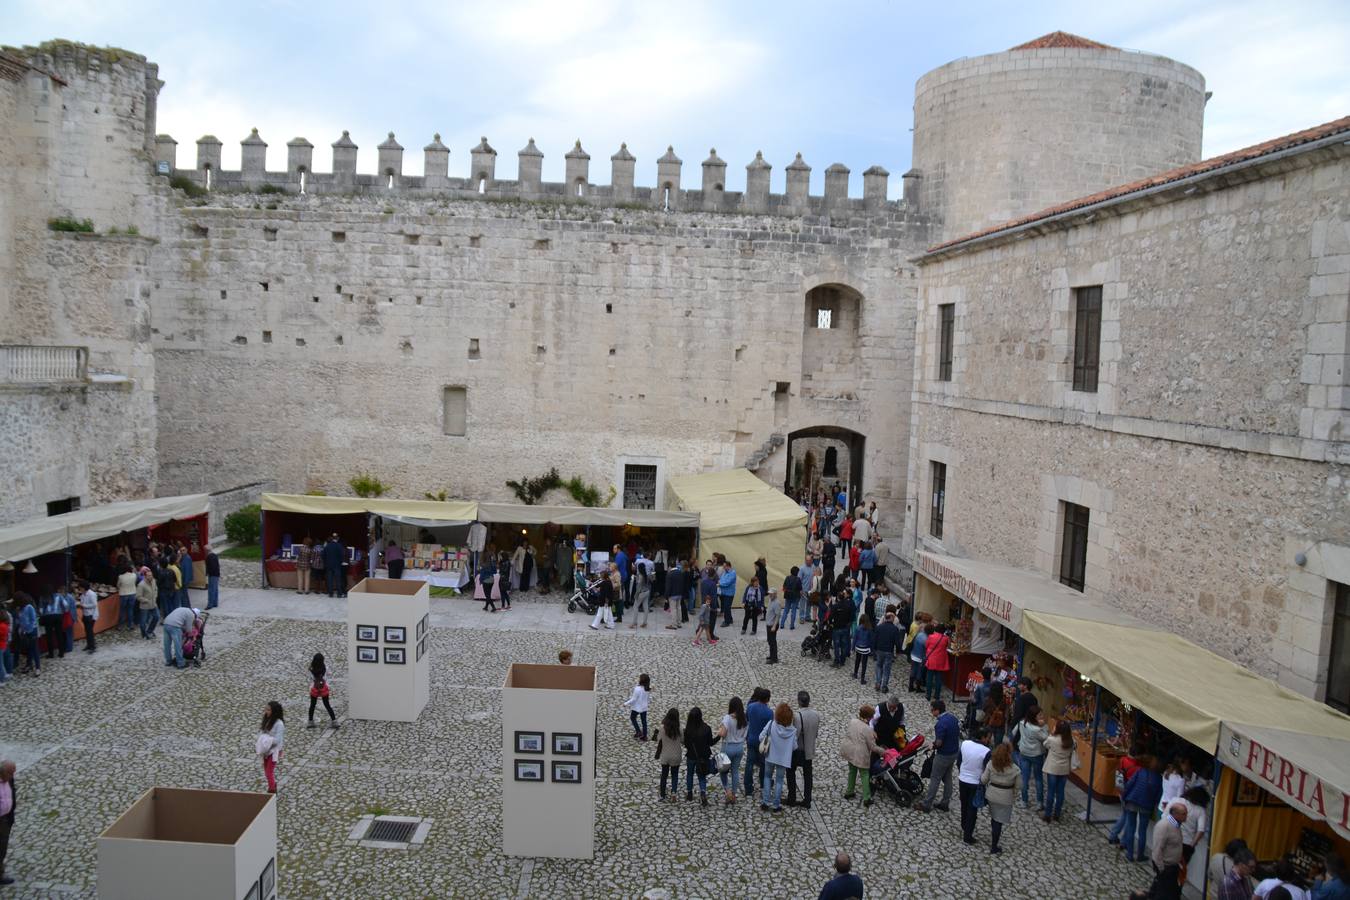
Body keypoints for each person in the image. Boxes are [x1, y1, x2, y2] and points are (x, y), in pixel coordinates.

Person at [1128, 802, 1188, 900]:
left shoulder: (1176, 825)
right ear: (1175, 814)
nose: (1186, 816)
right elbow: (1157, 849)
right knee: (1163, 894)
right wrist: (1161, 869)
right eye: (1184, 814)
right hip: (1166, 867)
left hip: (1173, 866)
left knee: (1170, 892)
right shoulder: (1164, 827)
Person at [1119, 755, 1164, 861]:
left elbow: (1130, 784)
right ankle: (1140, 855)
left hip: (1133, 801)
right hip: (1146, 805)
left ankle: (1129, 854)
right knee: (1142, 831)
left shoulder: (1140, 772)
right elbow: (1159, 795)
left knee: (1131, 828)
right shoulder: (1159, 778)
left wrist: (1124, 797)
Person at [917, 699, 959, 812]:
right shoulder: (953, 718)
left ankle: (926, 804)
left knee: (935, 779)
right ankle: (945, 803)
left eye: (932, 710)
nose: (931, 712)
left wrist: (932, 745)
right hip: (954, 752)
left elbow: (939, 742)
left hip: (943, 755)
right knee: (948, 777)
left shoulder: (940, 724)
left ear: (937, 710)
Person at [981, 741, 1021, 854]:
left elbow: (984, 780)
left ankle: (994, 834)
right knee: (999, 821)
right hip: (1006, 797)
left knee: (994, 818)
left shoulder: (991, 764)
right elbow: (1018, 786)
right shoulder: (1015, 769)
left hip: (992, 795)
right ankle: (994, 846)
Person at [841, 704, 881, 807]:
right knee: (864, 774)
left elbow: (858, 730)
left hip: (850, 751)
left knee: (852, 771)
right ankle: (867, 798)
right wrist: (883, 752)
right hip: (860, 754)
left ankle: (849, 792)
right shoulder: (867, 729)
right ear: (869, 717)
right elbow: (872, 747)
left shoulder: (853, 721)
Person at [785, 691, 819, 809]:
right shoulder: (816, 714)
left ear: (799, 701)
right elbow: (816, 732)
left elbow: (796, 734)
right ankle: (807, 799)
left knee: (790, 772)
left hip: (798, 749)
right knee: (808, 775)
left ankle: (792, 797)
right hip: (809, 749)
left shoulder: (797, 716)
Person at [957, 728, 991, 844]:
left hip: (963, 779)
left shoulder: (965, 744)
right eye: (987, 737)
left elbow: (959, 761)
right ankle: (968, 834)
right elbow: (987, 769)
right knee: (972, 808)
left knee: (964, 803)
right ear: (983, 738)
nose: (988, 739)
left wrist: (962, 772)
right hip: (975, 782)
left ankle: (964, 824)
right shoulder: (986, 751)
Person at [761, 702, 797, 813]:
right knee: (779, 781)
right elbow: (795, 746)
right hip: (783, 759)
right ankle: (776, 805)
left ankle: (765, 802)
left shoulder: (771, 724)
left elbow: (761, 737)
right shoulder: (792, 731)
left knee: (767, 777)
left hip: (770, 756)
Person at [1041, 720, 1077, 824]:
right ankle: (1057, 814)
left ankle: (1047, 814)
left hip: (1052, 768)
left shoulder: (1052, 739)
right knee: (1060, 792)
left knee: (1051, 792)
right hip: (1064, 769)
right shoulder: (1071, 741)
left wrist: (1052, 734)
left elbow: (1045, 744)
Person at [1013, 705, 1048, 810]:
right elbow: (1046, 738)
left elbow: (1014, 732)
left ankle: (1024, 801)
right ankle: (1039, 802)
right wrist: (1044, 726)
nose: (1042, 716)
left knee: (1024, 777)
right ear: (1034, 716)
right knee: (1038, 778)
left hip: (1024, 752)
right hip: (1036, 754)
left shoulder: (1022, 723)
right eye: (1040, 715)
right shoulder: (1037, 729)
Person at [744, 687, 774, 798]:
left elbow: (747, 719)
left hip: (751, 739)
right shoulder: (769, 712)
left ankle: (748, 788)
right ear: (767, 699)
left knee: (749, 763)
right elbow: (770, 728)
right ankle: (763, 783)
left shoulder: (750, 707)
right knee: (763, 764)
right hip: (763, 742)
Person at [717, 697, 748, 804]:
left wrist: (720, 728)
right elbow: (745, 735)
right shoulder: (744, 719)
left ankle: (727, 791)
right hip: (739, 748)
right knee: (735, 771)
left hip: (728, 748)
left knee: (723, 771)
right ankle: (734, 794)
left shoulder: (727, 718)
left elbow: (722, 734)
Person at [682, 707, 714, 806]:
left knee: (690, 774)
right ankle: (703, 792)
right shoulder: (707, 728)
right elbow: (710, 743)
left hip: (691, 755)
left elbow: (686, 744)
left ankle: (690, 793)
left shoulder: (687, 730)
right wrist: (719, 736)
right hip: (703, 756)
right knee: (702, 775)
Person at [654, 708, 683, 802]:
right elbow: (683, 741)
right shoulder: (680, 728)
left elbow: (657, 739)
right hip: (676, 755)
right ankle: (673, 792)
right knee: (674, 775)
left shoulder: (663, 728)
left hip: (665, 755)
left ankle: (662, 795)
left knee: (664, 775)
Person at [257, 701, 285, 793]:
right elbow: (263, 732)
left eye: (268, 710)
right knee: (266, 771)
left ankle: (272, 790)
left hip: (273, 751)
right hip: (266, 750)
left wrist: (266, 740)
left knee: (269, 772)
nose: (266, 711)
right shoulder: (267, 720)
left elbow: (277, 740)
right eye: (266, 709)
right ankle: (273, 785)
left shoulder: (279, 724)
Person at [307, 653, 339, 729]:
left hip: (314, 688)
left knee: (312, 705)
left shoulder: (311, 669)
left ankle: (310, 721)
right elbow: (329, 674)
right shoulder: (325, 668)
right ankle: (334, 721)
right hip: (323, 687)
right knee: (327, 704)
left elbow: (310, 678)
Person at [1180, 785, 1210, 865]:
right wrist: (1192, 844)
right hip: (1187, 843)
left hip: (1174, 837)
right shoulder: (1201, 811)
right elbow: (1201, 830)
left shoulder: (1181, 802)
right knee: (1182, 867)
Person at [872, 611, 901, 693]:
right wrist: (898, 651)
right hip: (888, 651)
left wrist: (874, 649)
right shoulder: (894, 629)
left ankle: (878, 683)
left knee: (879, 666)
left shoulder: (879, 627)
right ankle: (884, 686)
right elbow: (897, 642)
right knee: (886, 669)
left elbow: (875, 639)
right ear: (891, 618)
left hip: (879, 650)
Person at [924, 623, 951, 702]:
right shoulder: (945, 638)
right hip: (941, 660)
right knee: (938, 679)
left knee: (929, 678)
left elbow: (926, 646)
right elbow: (948, 646)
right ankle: (937, 695)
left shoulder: (930, 637)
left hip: (931, 659)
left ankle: (928, 695)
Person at [623, 673, 651, 741]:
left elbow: (634, 699)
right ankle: (644, 736)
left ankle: (638, 731)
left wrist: (625, 703)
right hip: (644, 708)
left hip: (637, 708)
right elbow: (649, 698)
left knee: (632, 718)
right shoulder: (647, 688)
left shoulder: (637, 689)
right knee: (644, 721)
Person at [0, 760, 15, 887]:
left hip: (5, 819)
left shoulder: (9, 780)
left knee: (2, 848)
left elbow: (12, 796)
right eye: (10, 773)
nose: (12, 776)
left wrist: (11, 815)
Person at [15, 597, 39, 676]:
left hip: (32, 631)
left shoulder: (29, 607)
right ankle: (29, 665)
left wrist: (29, 629)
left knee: (34, 649)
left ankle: (38, 668)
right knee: (29, 649)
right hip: (25, 632)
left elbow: (33, 619)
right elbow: (20, 620)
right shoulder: (20, 609)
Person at [907, 616, 930, 693]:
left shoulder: (918, 635)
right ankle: (918, 688)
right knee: (919, 672)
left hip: (913, 654)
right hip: (920, 657)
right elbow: (926, 648)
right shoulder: (926, 638)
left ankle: (910, 686)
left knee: (913, 670)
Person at [831, 591, 854, 667]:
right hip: (845, 628)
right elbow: (851, 617)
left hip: (837, 628)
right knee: (844, 645)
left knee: (837, 645)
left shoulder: (835, 606)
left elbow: (831, 617)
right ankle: (842, 661)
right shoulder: (848, 606)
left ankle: (837, 661)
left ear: (837, 598)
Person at [136, 566, 159, 639]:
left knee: (156, 617)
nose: (150, 576)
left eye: (151, 575)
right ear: (145, 576)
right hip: (145, 606)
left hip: (153, 604)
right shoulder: (141, 585)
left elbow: (156, 589)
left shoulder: (154, 581)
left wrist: (155, 596)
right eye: (149, 575)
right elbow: (138, 596)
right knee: (143, 622)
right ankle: (144, 634)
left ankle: (149, 631)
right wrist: (146, 600)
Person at [664, 559, 687, 628]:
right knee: (678, 608)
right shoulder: (680, 572)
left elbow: (668, 587)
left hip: (672, 594)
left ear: (669, 566)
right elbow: (683, 584)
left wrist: (666, 596)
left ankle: (674, 625)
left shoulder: (669, 574)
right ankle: (679, 623)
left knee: (673, 609)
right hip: (679, 594)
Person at [77, 580, 99, 653]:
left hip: (91, 615)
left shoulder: (91, 594)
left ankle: (92, 647)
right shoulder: (83, 594)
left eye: (80, 587)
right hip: (86, 614)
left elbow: (94, 604)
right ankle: (89, 645)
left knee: (89, 631)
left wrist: (83, 606)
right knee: (87, 631)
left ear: (83, 587)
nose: (79, 589)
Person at [322, 534, 347, 598]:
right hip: (337, 565)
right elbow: (342, 555)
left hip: (329, 565)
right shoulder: (339, 545)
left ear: (332, 538)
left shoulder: (327, 546)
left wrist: (326, 562)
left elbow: (323, 555)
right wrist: (340, 562)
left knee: (330, 580)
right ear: (337, 538)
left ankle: (331, 593)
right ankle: (339, 594)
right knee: (338, 580)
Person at [852, 614, 874, 684]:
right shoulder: (869, 629)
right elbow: (871, 640)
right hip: (866, 648)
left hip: (858, 647)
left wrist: (852, 647)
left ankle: (855, 673)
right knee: (864, 663)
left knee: (857, 660)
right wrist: (872, 649)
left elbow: (855, 638)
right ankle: (862, 678)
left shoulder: (858, 628)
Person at [781, 565, 803, 630]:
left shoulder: (787, 578)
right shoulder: (798, 579)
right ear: (797, 572)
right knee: (793, 611)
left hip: (787, 595)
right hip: (795, 596)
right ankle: (792, 626)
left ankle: (782, 624)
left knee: (786, 610)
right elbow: (800, 588)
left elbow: (784, 586)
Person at [117, 563, 138, 630]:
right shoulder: (134, 575)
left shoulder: (121, 576)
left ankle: (120, 625)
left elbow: (118, 585)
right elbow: (135, 582)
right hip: (132, 593)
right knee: (130, 609)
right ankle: (130, 624)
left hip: (123, 594)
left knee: (122, 610)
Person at [764, 590, 782, 664]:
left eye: (771, 594)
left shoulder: (777, 603)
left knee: (772, 642)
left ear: (775, 594)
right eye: (769, 594)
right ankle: (772, 655)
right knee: (769, 641)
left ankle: (774, 659)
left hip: (772, 625)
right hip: (769, 624)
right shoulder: (770, 600)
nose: (770, 595)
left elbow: (778, 616)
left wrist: (774, 626)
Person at [716, 562, 737, 627]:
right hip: (724, 592)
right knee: (727, 607)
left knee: (726, 607)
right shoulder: (725, 572)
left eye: (725, 566)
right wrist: (720, 582)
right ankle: (730, 619)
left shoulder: (733, 573)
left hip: (729, 593)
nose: (723, 568)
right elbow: (722, 579)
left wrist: (720, 584)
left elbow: (727, 582)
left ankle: (726, 621)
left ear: (729, 566)